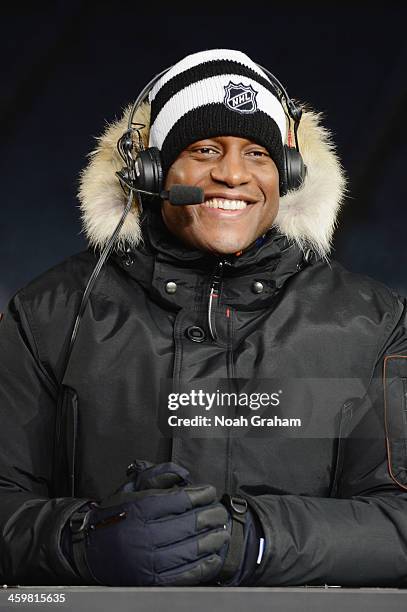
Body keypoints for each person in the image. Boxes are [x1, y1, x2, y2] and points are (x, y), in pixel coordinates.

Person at [1, 48, 407, 588]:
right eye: (204, 148)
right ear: (150, 171)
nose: (233, 174)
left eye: (258, 154)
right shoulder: (47, 314)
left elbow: (398, 524)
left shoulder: (371, 322)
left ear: (287, 175)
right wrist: (85, 540)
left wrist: (252, 541)